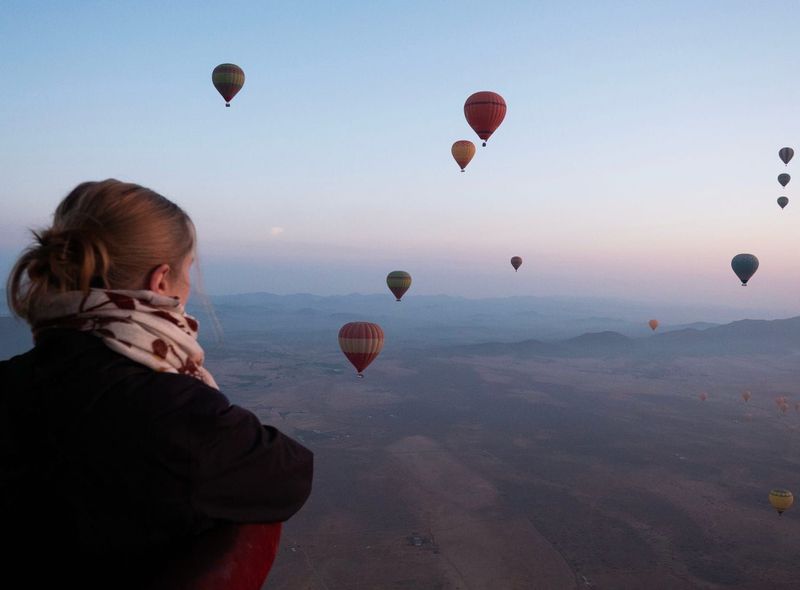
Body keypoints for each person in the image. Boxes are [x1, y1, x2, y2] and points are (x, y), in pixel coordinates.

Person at [0, 179, 313, 588]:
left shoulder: (12, 382)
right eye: (187, 271)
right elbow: (289, 473)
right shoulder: (172, 412)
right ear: (160, 281)